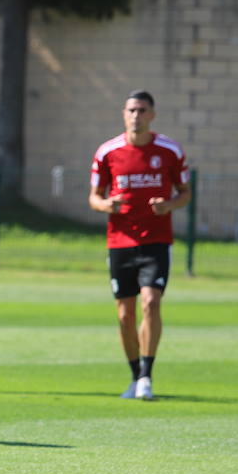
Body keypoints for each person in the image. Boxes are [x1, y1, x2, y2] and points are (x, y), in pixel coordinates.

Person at [88, 90, 190, 400]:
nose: (136, 116)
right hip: (120, 242)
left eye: (142, 110)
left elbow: (184, 193)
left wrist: (168, 205)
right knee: (124, 314)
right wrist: (108, 205)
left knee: (151, 302)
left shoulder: (170, 151)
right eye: (131, 110)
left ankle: (146, 375)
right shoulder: (107, 152)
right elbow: (94, 197)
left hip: (156, 241)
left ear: (152, 115)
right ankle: (134, 376)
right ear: (124, 114)